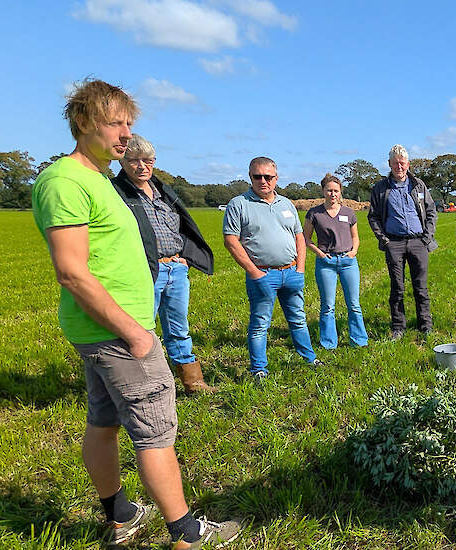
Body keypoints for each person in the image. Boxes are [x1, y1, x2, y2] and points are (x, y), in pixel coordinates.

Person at [31, 79, 239, 549]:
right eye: (115, 123)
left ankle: (121, 516)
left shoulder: (96, 178)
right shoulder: (65, 181)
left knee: (103, 422)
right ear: (83, 122)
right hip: (118, 333)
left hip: (107, 331)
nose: (125, 134)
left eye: (129, 123)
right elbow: (71, 272)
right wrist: (135, 334)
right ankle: (185, 533)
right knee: (156, 432)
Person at [111, 134, 215, 394]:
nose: (142, 166)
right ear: (123, 163)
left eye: (147, 161)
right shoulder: (117, 193)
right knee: (142, 328)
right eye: (134, 160)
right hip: (146, 271)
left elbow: (182, 226)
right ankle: (142, 384)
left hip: (176, 269)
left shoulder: (163, 192)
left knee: (179, 328)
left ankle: (193, 382)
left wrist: (184, 257)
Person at [223, 156, 319, 384]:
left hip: (291, 272)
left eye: (268, 177)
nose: (263, 181)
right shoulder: (239, 204)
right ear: (250, 177)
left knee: (298, 319)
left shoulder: (286, 204)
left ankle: (309, 359)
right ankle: (259, 370)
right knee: (260, 324)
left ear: (276, 178)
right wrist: (255, 273)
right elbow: (231, 241)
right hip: (263, 275)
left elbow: (299, 237)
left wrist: (300, 269)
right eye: (258, 176)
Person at [367, 144, 438, 339]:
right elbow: (373, 217)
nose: (399, 166)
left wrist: (427, 237)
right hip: (394, 243)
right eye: (395, 163)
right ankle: (398, 326)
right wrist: (385, 240)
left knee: (420, 286)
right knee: (397, 286)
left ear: (408, 164)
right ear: (389, 164)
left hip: (418, 242)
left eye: (402, 163)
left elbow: (431, 211)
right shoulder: (381, 188)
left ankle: (425, 325)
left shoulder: (418, 185)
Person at [303, 173, 368, 348]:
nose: (333, 194)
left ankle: (359, 341)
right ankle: (328, 343)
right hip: (326, 263)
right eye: (329, 190)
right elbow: (306, 239)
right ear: (323, 191)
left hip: (348, 262)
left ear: (340, 193)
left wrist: (354, 252)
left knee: (354, 304)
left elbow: (356, 237)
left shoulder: (349, 213)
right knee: (328, 306)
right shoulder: (314, 213)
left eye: (336, 191)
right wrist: (319, 253)